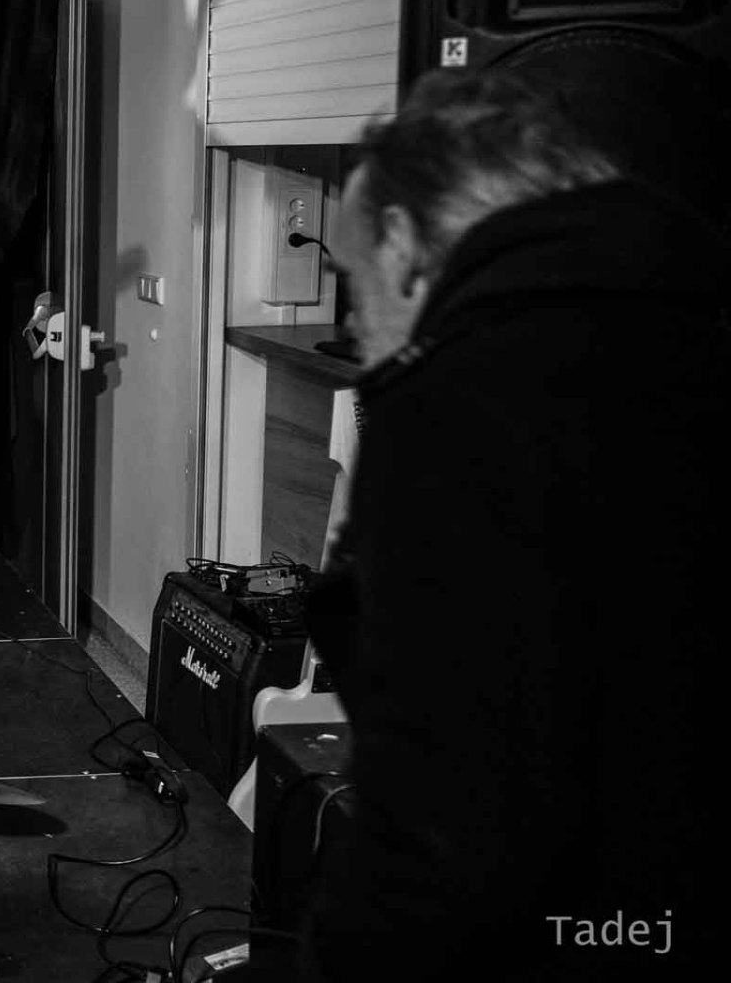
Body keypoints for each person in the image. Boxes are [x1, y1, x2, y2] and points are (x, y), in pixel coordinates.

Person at [292, 68, 723, 980]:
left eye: (352, 280)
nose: (357, 324)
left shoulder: (455, 406)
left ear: (402, 244)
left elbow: (445, 821)